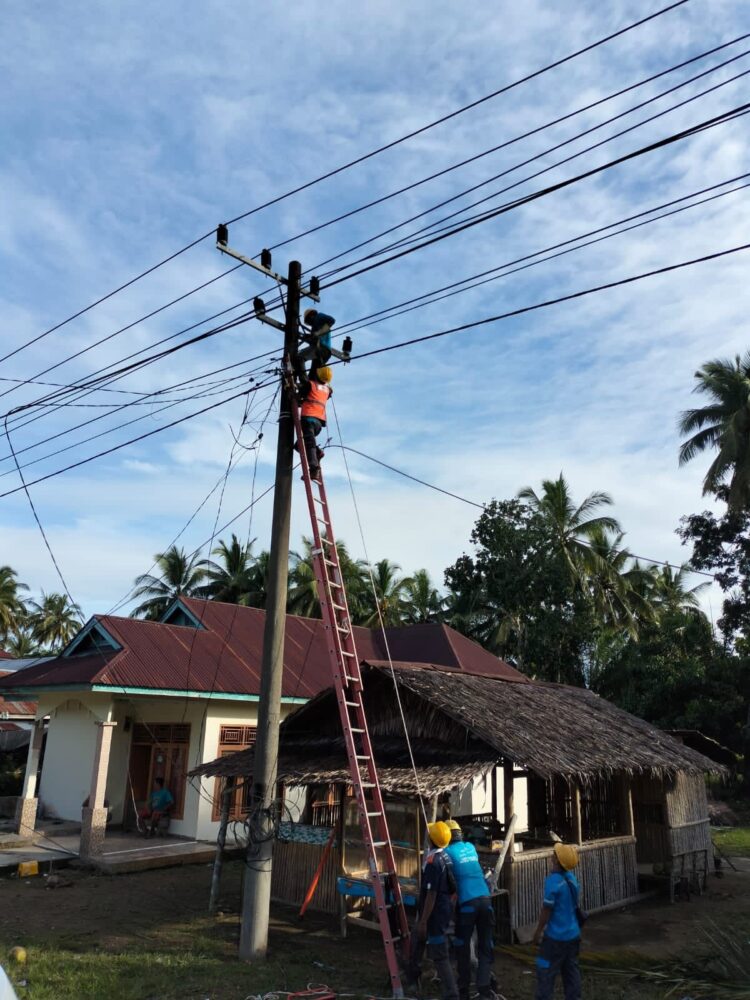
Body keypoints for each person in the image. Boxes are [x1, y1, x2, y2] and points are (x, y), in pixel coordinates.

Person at [445, 823, 496, 1000]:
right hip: (485, 899)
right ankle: (484, 990)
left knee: (463, 946)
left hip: (467, 902)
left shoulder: (447, 853)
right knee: (485, 947)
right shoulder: (470, 847)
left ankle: (464, 991)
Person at [411, 821, 459, 1000]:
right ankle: (413, 977)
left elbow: (431, 893)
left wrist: (424, 921)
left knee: (439, 954)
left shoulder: (433, 861)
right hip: (442, 909)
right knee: (417, 940)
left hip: (434, 914)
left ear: (431, 840)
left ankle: (452, 994)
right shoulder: (445, 856)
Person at [532, 842, 582, 1000]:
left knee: (545, 970)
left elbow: (546, 910)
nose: (552, 856)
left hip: (555, 938)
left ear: (558, 862)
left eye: (555, 856)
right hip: (573, 935)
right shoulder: (571, 879)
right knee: (571, 972)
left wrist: (538, 932)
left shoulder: (553, 882)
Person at [298, 366, 332, 482]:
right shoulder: (328, 390)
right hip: (319, 423)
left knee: (309, 443)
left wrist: (294, 397)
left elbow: (299, 396)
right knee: (299, 445)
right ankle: (317, 452)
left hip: (308, 419)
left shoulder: (310, 385)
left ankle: (314, 468)